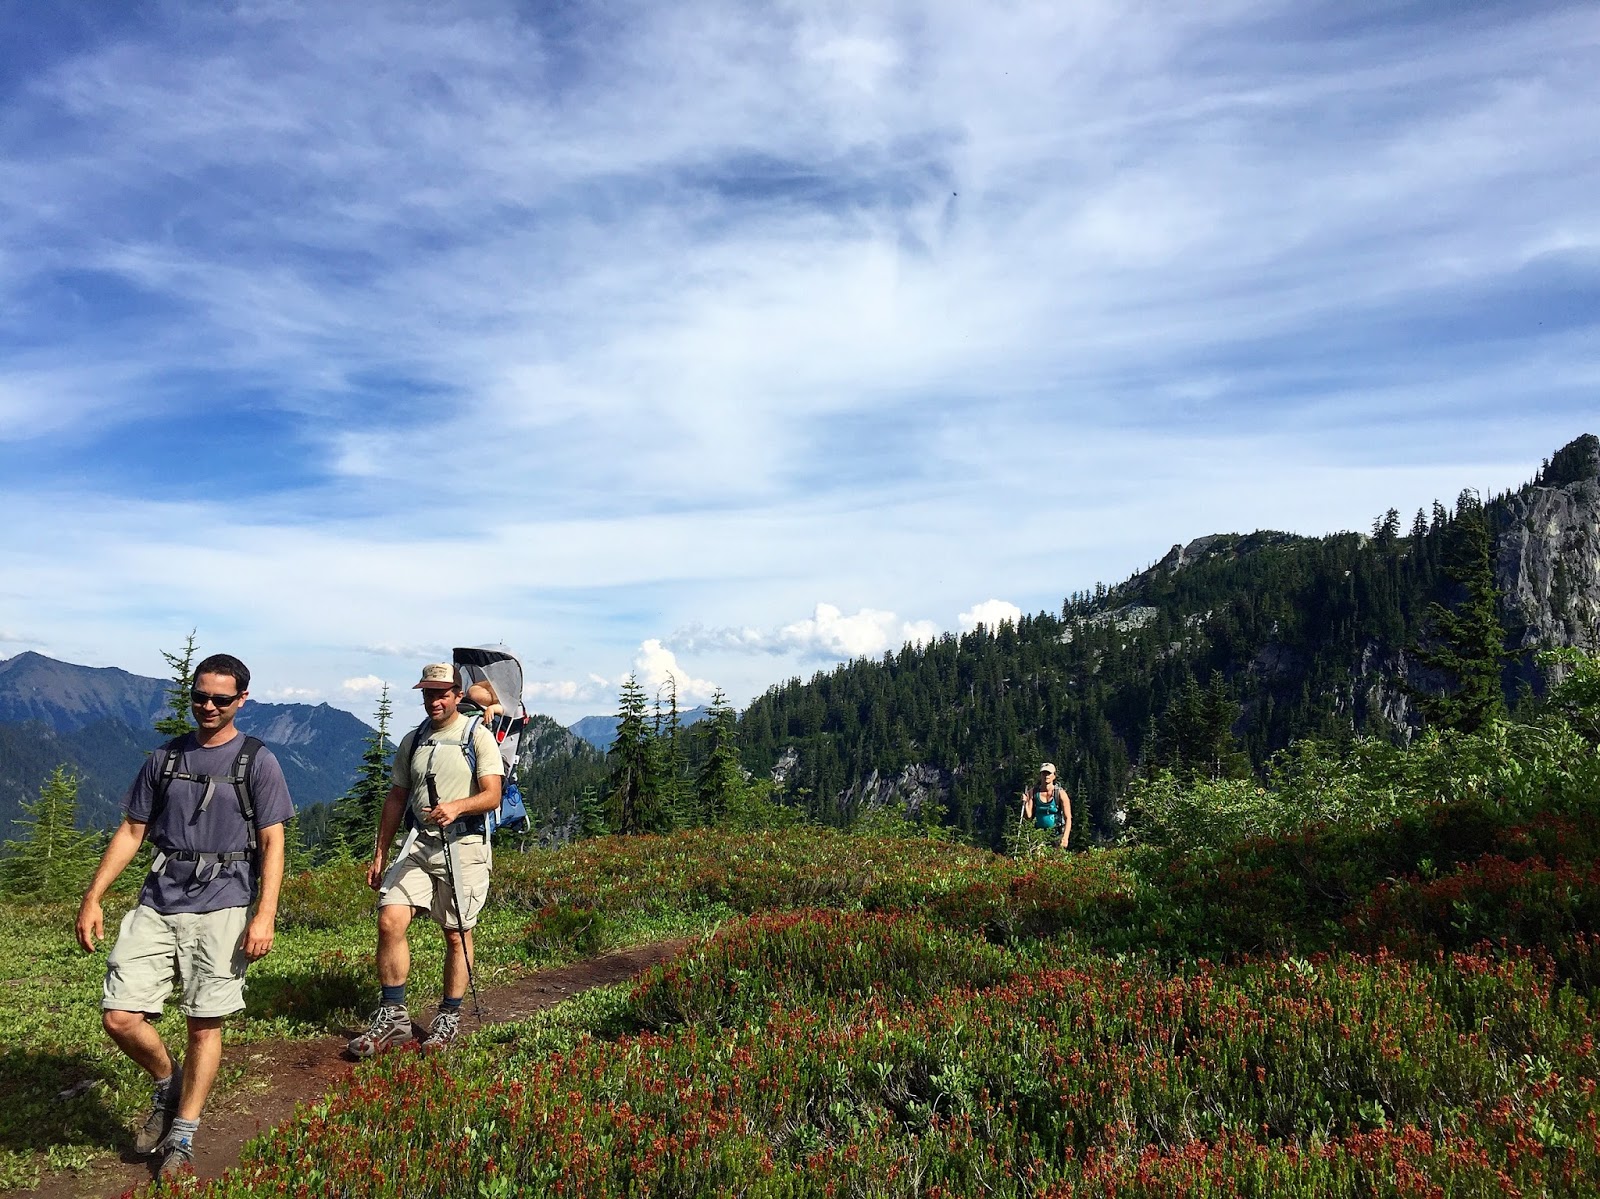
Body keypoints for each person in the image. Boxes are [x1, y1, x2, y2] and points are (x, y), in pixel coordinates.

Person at [75, 654, 292, 1178]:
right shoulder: (165, 758)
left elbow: (273, 841)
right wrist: (93, 895)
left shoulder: (258, 761)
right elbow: (132, 830)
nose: (208, 706)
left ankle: (184, 1133)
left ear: (242, 700)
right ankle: (167, 1080)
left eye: (221, 698)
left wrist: (265, 914)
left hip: (225, 904)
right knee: (120, 1016)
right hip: (158, 899)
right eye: (200, 696)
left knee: (203, 1023)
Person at [348, 662, 503, 1056]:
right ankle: (394, 1017)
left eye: (442, 694)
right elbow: (396, 797)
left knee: (456, 933)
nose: (435, 701)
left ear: (457, 695)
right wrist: (380, 851)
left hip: (464, 845)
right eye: (429, 694)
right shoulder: (413, 739)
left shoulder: (477, 736)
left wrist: (457, 807)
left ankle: (448, 1017)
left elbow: (492, 795)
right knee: (389, 919)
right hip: (418, 844)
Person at [1021, 761, 1072, 851]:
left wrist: (1065, 837)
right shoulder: (1033, 792)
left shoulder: (1060, 794)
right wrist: (1025, 803)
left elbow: (1068, 818)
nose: (1046, 776)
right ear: (1040, 775)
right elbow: (1028, 816)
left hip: (1056, 835)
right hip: (1038, 835)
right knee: (1039, 858)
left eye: (1049, 773)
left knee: (1055, 859)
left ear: (1054, 776)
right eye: (1044, 773)